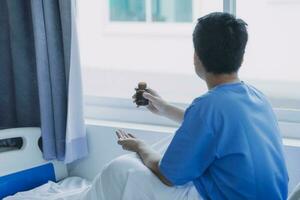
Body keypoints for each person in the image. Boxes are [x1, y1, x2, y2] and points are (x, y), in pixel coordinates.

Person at [86, 12, 289, 200]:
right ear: (242, 58)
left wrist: (139, 146)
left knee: (120, 169)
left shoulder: (208, 105)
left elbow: (168, 176)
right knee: (176, 141)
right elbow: (219, 129)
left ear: (196, 57)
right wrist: (165, 108)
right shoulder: (258, 98)